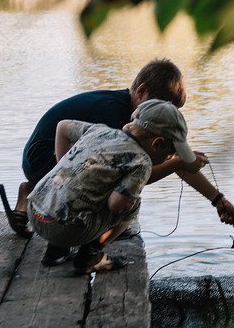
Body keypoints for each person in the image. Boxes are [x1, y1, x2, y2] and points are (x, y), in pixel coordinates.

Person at [0, 59, 234, 251]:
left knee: (120, 180)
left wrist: (217, 199)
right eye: (163, 106)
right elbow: (147, 172)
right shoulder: (116, 116)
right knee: (124, 191)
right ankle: (83, 239)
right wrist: (62, 176)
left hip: (47, 163)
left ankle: (32, 191)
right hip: (42, 157)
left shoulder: (141, 123)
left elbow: (178, 162)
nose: (167, 115)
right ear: (141, 91)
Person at [27, 99, 196, 274]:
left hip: (35, 212)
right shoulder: (142, 162)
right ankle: (90, 256)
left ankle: (55, 252)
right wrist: (126, 199)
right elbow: (116, 206)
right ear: (158, 144)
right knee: (132, 205)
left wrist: (64, 176)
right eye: (171, 154)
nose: (170, 158)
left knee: (81, 194)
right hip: (65, 230)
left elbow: (62, 126)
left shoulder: (99, 130)